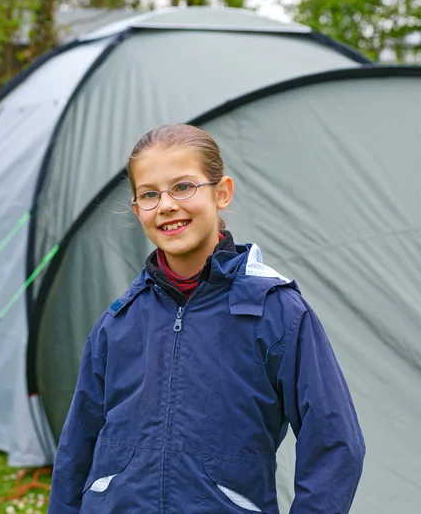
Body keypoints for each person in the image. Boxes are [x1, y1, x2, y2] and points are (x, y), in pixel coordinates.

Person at [48, 123, 365, 513]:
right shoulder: (117, 323)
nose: (166, 205)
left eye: (183, 187)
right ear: (136, 209)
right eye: (149, 194)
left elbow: (336, 443)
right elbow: (76, 449)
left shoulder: (277, 312)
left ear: (222, 193)